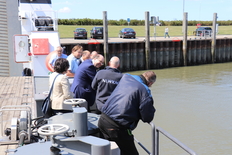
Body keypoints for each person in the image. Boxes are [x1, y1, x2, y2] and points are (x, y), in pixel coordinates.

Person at [98, 71, 157, 155]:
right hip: (117, 127)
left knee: (110, 152)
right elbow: (147, 116)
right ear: (150, 83)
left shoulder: (126, 77)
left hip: (103, 119)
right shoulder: (144, 90)